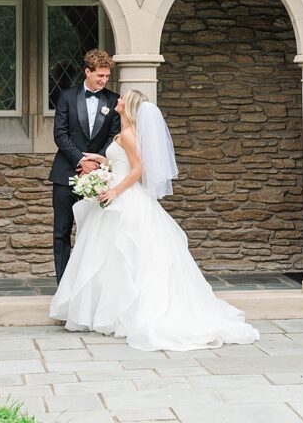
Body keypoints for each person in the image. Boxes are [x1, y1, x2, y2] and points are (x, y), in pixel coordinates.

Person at [50, 89, 259, 352]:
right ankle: (112, 310)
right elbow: (123, 163)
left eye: (123, 99)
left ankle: (125, 311)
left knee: (125, 254)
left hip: (125, 198)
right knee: (113, 256)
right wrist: (102, 159)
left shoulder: (127, 134)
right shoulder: (124, 132)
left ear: (129, 107)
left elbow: (138, 170)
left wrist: (114, 190)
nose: (119, 100)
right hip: (119, 194)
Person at [49, 49, 120, 283]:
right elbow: (59, 133)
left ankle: (88, 286)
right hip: (66, 173)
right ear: (87, 72)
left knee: (94, 232)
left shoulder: (112, 100)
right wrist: (81, 161)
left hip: (99, 177)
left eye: (107, 76)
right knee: (62, 231)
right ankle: (64, 285)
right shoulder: (66, 96)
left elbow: (114, 136)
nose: (104, 80)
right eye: (100, 75)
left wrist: (97, 162)